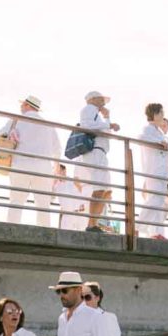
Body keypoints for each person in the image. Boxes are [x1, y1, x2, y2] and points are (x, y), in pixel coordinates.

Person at [4, 95, 59, 227]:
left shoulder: (16, 120)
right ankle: (44, 230)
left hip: (21, 164)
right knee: (43, 204)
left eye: (22, 104)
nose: (21, 107)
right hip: (43, 167)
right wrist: (56, 168)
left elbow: (2, 135)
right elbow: (57, 149)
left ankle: (11, 227)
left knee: (16, 200)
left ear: (28, 106)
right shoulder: (49, 125)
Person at [77, 91, 121, 232]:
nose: (103, 102)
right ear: (93, 99)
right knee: (100, 189)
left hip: (100, 151)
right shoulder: (89, 109)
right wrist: (108, 124)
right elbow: (87, 125)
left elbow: (106, 132)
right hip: (95, 151)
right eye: (101, 99)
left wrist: (107, 118)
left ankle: (93, 223)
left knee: (106, 191)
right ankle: (92, 224)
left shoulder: (97, 114)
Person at [136, 103, 168, 240]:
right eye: (162, 114)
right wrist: (159, 143)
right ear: (156, 114)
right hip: (154, 170)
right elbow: (141, 138)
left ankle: (157, 233)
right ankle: (136, 227)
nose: (163, 117)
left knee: (159, 201)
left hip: (162, 172)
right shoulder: (148, 129)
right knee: (154, 200)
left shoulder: (159, 132)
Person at [55, 163, 87, 231]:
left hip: (79, 213)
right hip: (66, 215)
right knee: (64, 235)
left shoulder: (73, 181)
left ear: (64, 171)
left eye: (59, 171)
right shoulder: (57, 186)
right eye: (56, 171)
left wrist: (83, 203)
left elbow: (81, 190)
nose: (58, 173)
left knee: (82, 234)